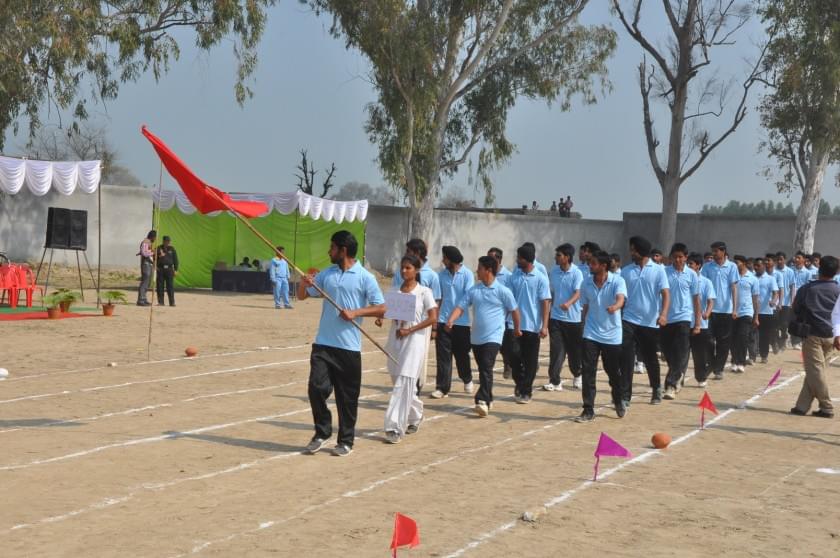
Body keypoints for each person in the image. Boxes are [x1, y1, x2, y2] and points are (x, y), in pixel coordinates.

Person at [298, 230, 385, 457]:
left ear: (343, 250)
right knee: (316, 389)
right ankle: (322, 432)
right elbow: (302, 295)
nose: (329, 251)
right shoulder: (327, 274)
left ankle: (345, 441)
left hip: (348, 349)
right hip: (323, 345)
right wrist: (303, 282)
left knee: (347, 398)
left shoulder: (366, 277)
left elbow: (382, 308)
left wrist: (355, 312)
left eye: (332, 247)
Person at [445, 256, 520, 417]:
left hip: (494, 337)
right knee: (483, 369)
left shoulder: (503, 291)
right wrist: (451, 319)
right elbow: (461, 306)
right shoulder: (474, 290)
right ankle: (489, 396)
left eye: (479, 268)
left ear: (488, 270)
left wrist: (517, 329)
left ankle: (482, 400)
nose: (476, 271)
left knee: (486, 366)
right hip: (477, 337)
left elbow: (514, 310)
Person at [381, 255, 438, 444]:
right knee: (398, 380)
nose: (404, 271)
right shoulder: (395, 291)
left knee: (404, 382)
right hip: (396, 339)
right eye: (402, 268)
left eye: (408, 268)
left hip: (414, 341)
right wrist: (382, 318)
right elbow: (387, 311)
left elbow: (432, 318)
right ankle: (416, 415)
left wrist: (411, 329)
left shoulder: (424, 292)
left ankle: (394, 427)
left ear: (416, 270)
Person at [576, 250, 627, 422]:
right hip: (591, 333)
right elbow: (585, 307)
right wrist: (582, 328)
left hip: (612, 335)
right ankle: (588, 409)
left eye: (594, 263)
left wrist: (616, 307)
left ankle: (618, 399)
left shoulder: (617, 281)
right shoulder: (586, 283)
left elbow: (621, 299)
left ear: (603, 266)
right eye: (590, 263)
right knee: (588, 371)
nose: (590, 266)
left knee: (612, 371)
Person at [620, 236, 670, 405]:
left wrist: (663, 314)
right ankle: (625, 395)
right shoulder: (626, 271)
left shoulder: (658, 270)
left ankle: (656, 388)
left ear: (641, 251)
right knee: (626, 359)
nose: (631, 252)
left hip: (649, 323)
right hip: (628, 320)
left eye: (633, 249)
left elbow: (665, 294)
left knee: (650, 358)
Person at [790, 256, 840, 418]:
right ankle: (801, 406)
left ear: (819, 269)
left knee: (815, 371)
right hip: (832, 335)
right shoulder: (838, 290)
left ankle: (827, 407)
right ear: (836, 272)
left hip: (812, 334)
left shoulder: (807, 289)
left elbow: (796, 308)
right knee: (815, 371)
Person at [391, 238, 441, 393]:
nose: (404, 270)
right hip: (399, 325)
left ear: (418, 253)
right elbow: (394, 297)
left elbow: (435, 302)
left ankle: (414, 389)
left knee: (416, 363)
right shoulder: (401, 273)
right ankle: (406, 393)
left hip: (420, 327)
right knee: (396, 363)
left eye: (409, 251)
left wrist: (433, 328)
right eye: (403, 268)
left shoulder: (431, 276)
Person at [508, 243, 551, 403]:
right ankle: (520, 383)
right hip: (514, 325)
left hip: (532, 326)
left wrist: (544, 325)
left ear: (526, 259)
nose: (517, 260)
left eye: (519, 257)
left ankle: (526, 391)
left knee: (530, 360)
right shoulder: (515, 276)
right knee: (512, 356)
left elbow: (545, 302)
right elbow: (508, 300)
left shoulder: (540, 278)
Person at [432, 246, 474, 399]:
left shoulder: (467, 274)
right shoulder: (441, 275)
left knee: (462, 355)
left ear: (452, 260)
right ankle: (442, 388)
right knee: (443, 356)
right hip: (443, 321)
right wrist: (436, 321)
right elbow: (438, 297)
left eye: (445, 258)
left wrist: (454, 318)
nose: (443, 261)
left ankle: (467, 378)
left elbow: (467, 298)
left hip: (461, 323)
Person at [661, 243, 701, 400]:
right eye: (675, 257)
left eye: (681, 257)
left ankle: (670, 385)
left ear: (686, 257)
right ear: (671, 257)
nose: (678, 260)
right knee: (668, 352)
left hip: (684, 318)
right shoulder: (664, 273)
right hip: (666, 318)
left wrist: (697, 323)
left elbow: (696, 300)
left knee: (680, 351)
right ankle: (678, 374)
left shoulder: (691, 275)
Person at [545, 243, 584, 392]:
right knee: (556, 350)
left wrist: (568, 303)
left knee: (574, 352)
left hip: (573, 319)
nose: (556, 257)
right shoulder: (554, 271)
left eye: (559, 255)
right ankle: (555, 381)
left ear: (567, 257)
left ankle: (577, 374)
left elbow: (578, 292)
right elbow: (552, 292)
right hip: (555, 318)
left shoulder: (576, 273)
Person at [701, 241, 739, 380]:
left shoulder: (732, 267)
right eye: (713, 251)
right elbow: (702, 286)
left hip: (726, 310)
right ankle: (712, 363)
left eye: (716, 251)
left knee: (723, 342)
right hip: (710, 310)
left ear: (723, 251)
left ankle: (719, 369)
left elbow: (734, 288)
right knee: (708, 340)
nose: (714, 254)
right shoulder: (707, 267)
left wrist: (734, 309)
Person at [688, 253, 716, 387]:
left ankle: (701, 377)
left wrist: (707, 313)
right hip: (684, 321)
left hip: (701, 324)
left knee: (699, 354)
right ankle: (677, 378)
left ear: (698, 266)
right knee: (681, 353)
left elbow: (711, 301)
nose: (688, 266)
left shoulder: (706, 282)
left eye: (691, 264)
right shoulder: (684, 279)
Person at [488, 247, 514, 379]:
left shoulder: (508, 276)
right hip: (490, 317)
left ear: (498, 259)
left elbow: (510, 299)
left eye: (491, 258)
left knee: (505, 346)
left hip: (505, 318)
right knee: (490, 345)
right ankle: (487, 370)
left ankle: (508, 365)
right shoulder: (487, 274)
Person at [731, 255, 760, 373]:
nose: (735, 265)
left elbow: (755, 299)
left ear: (743, 263)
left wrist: (756, 316)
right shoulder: (732, 277)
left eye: (737, 262)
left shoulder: (752, 279)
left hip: (746, 312)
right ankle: (734, 361)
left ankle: (741, 362)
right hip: (732, 312)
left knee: (742, 337)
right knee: (733, 338)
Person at [754, 257, 779, 364]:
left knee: (764, 335)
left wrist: (774, 301)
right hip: (753, 311)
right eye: (755, 266)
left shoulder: (770, 279)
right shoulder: (751, 277)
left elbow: (775, 292)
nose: (756, 268)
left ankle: (764, 355)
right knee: (753, 334)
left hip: (766, 311)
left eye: (758, 266)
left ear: (764, 266)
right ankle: (752, 354)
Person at [791, 251, 813, 349]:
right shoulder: (791, 270)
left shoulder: (808, 273)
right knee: (790, 319)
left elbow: (808, 287)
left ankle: (797, 341)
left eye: (799, 258)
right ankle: (791, 340)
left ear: (804, 260)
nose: (796, 259)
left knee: (799, 319)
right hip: (790, 297)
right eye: (796, 257)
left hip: (801, 299)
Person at [775, 251, 796, 350]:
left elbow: (792, 287)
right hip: (775, 302)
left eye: (781, 259)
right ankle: (775, 342)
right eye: (778, 259)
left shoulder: (790, 271)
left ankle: (783, 340)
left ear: (785, 260)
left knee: (784, 324)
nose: (779, 261)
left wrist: (792, 300)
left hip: (786, 302)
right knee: (775, 323)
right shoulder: (773, 271)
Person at [155, 235, 179, 307]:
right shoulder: (158, 248)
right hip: (160, 269)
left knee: (170, 286)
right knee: (160, 286)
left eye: (169, 241)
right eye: (166, 241)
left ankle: (172, 302)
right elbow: (154, 258)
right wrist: (155, 265)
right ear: (163, 241)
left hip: (169, 269)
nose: (168, 243)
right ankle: (161, 302)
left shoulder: (172, 249)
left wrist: (176, 270)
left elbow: (175, 260)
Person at [136, 230, 156, 306]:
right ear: (152, 236)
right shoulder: (146, 242)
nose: (155, 239)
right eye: (155, 237)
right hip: (145, 264)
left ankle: (144, 298)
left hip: (149, 264)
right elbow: (144, 253)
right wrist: (153, 252)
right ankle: (140, 300)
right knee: (144, 282)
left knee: (148, 282)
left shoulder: (149, 243)